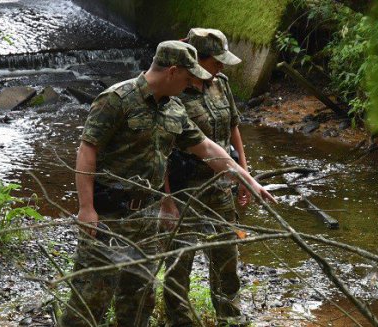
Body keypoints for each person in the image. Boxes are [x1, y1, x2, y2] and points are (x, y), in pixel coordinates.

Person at [59, 40, 274, 327]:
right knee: (90, 298)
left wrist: (248, 180)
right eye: (187, 77)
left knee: (138, 299)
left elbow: (208, 149)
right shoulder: (117, 100)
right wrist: (86, 208)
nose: (190, 85)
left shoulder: (174, 109)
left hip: (147, 218)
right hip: (109, 216)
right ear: (172, 72)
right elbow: (88, 151)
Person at [162, 28, 250, 327]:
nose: (222, 67)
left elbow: (233, 129)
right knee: (180, 262)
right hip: (185, 188)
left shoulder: (220, 84)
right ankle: (181, 321)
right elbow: (160, 149)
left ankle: (231, 318)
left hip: (222, 184)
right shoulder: (173, 91)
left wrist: (243, 175)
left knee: (226, 256)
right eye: (217, 61)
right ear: (198, 59)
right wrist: (167, 200)